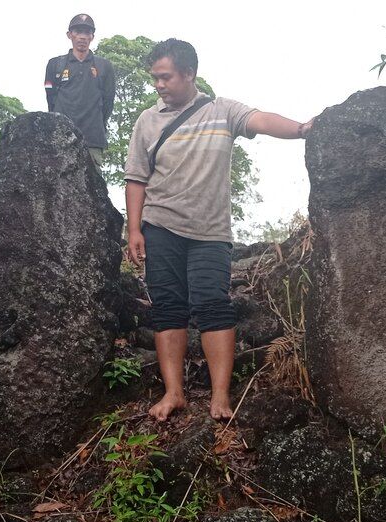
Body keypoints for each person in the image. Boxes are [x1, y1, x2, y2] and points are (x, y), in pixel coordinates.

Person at [123, 39, 312, 422]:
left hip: (210, 232)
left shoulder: (222, 110)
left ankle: (220, 396)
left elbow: (260, 119)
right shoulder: (148, 121)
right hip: (161, 226)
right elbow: (136, 180)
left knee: (212, 305)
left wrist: (304, 128)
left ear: (189, 73)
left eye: (166, 77)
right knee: (168, 309)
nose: (159, 85)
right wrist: (134, 230)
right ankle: (174, 392)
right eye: (155, 78)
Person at [44, 13, 116, 169]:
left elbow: (108, 103)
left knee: (93, 190)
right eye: (78, 32)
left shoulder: (104, 66)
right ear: (69, 35)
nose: (82, 37)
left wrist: (96, 123)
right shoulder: (55, 64)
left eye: (87, 32)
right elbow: (51, 100)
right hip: (61, 139)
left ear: (92, 36)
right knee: (58, 188)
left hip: (92, 140)